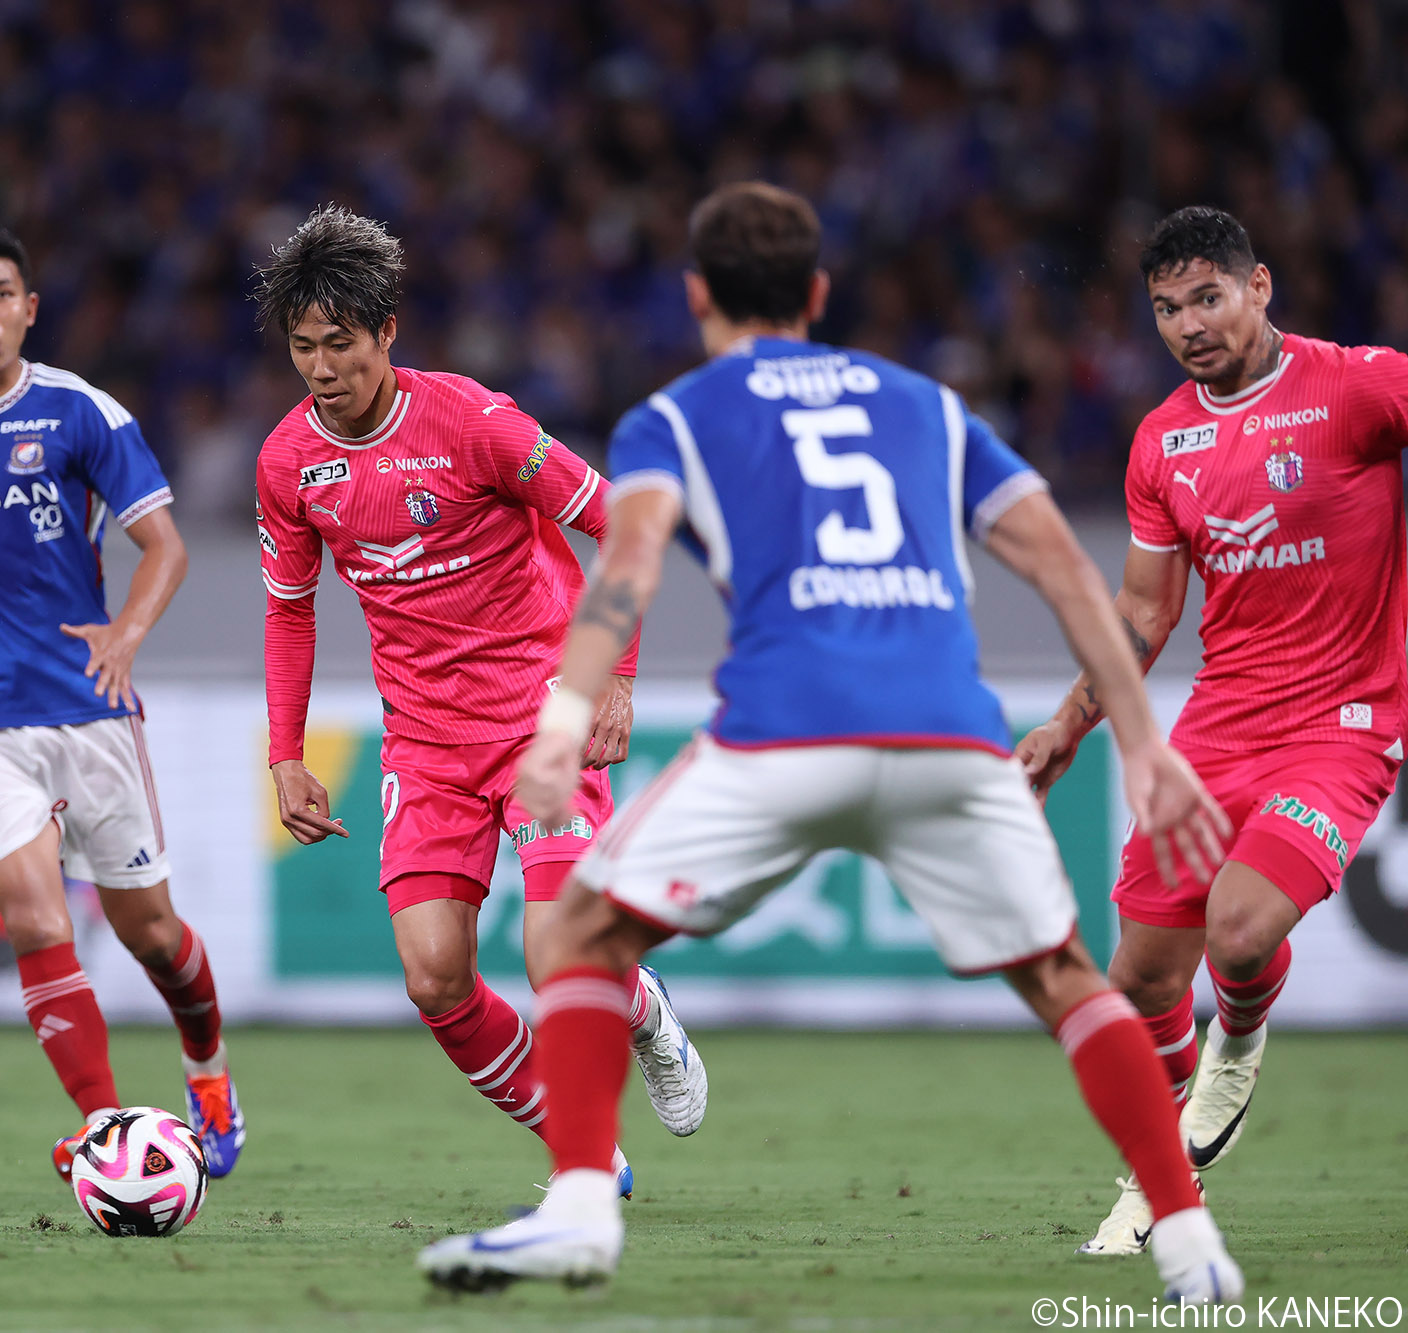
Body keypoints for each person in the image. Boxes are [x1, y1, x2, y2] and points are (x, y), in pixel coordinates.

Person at [418, 182, 1245, 1305]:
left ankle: (579, 1206)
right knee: (1063, 977)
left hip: (783, 731)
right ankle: (1191, 1242)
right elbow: (1060, 564)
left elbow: (624, 571)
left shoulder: (674, 417)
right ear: (815, 291)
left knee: (575, 933)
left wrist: (562, 723)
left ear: (696, 295)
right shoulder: (925, 405)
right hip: (945, 733)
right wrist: (1139, 744)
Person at [250, 206, 707, 1189]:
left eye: (340, 343)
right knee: (433, 976)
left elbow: (618, 521)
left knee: (556, 954)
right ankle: (578, 1140)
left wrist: (617, 677)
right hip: (424, 744)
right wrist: (285, 753)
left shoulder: (473, 422)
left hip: (542, 717)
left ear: (387, 331)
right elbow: (289, 611)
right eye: (302, 347)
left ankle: (639, 1015)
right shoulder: (288, 463)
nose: (322, 368)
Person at [1016, 206, 1408, 1254]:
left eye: (1206, 297)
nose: (1188, 324)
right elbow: (1145, 612)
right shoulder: (1161, 439)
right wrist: (1067, 723)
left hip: (1341, 724)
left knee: (1237, 930)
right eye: (1165, 308)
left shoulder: (1357, 387)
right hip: (1219, 724)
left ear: (1257, 287)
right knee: (1137, 979)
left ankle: (1235, 1042)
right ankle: (1167, 1162)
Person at [0, 221, 243, 1176]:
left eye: (1, 294)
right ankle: (108, 1130)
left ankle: (208, 1067)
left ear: (29, 309)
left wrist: (126, 634)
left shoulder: (83, 413)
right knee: (34, 919)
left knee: (152, 934)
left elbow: (165, 546)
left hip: (86, 704)